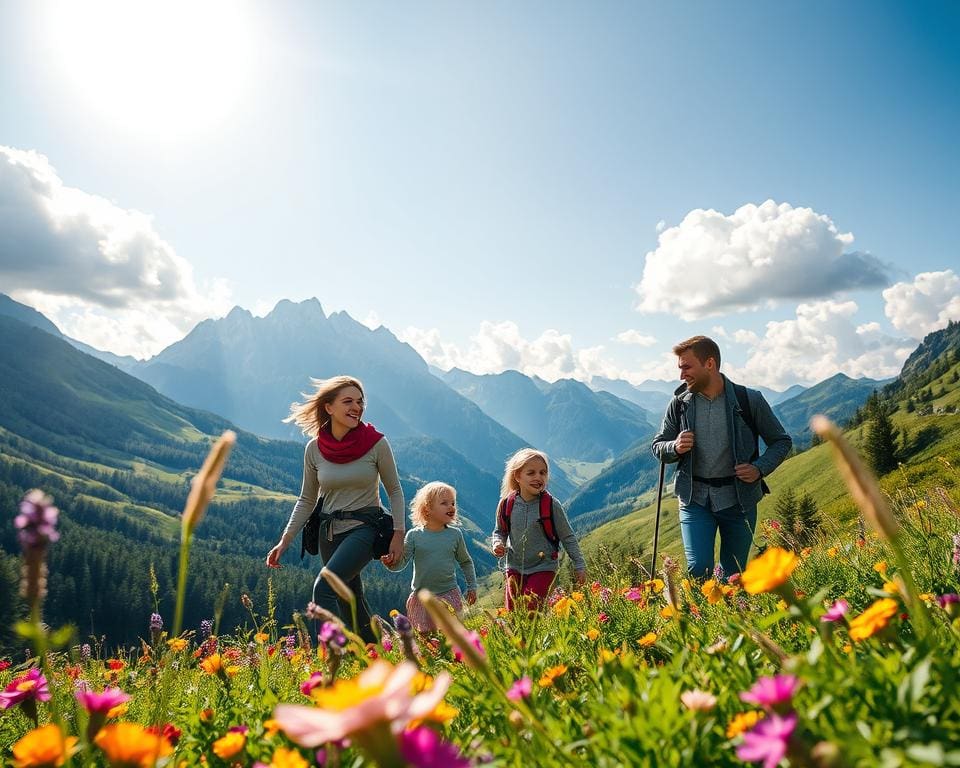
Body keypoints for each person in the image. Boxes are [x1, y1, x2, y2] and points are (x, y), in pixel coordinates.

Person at [266, 376, 404, 643]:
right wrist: (285, 540)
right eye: (348, 401)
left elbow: (395, 490)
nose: (357, 407)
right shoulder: (314, 449)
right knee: (349, 599)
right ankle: (375, 655)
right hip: (328, 532)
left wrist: (398, 534)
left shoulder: (376, 443)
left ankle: (330, 658)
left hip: (365, 528)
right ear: (328, 407)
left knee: (324, 589)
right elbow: (307, 499)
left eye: (360, 402)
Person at [651, 336, 792, 578]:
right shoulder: (680, 403)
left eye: (687, 367)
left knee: (734, 575)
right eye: (680, 368)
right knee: (698, 570)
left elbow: (781, 441)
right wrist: (675, 446)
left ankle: (731, 602)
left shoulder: (749, 400)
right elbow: (657, 446)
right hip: (694, 499)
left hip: (739, 500)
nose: (682, 375)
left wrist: (759, 468)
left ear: (710, 364)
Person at [491, 448, 587, 610]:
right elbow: (500, 531)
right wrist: (497, 543)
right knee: (514, 613)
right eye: (531, 473)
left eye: (543, 473)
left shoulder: (551, 505)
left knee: (531, 608)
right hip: (514, 568)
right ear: (517, 476)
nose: (538, 477)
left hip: (544, 567)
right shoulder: (506, 504)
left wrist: (579, 564)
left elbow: (567, 537)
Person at [382, 481, 478, 631]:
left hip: (449, 593)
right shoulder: (414, 536)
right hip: (422, 597)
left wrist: (472, 586)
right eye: (444, 503)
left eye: (453, 503)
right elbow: (402, 563)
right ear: (427, 509)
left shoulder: (455, 535)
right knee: (426, 635)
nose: (451, 507)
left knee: (452, 632)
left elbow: (465, 562)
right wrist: (391, 564)